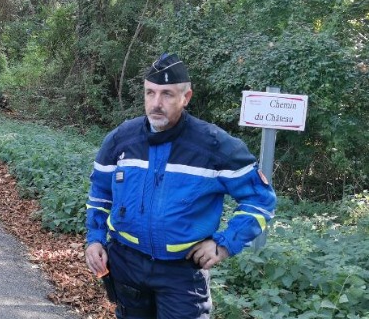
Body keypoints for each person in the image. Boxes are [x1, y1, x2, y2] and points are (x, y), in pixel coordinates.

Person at [84, 53, 277, 318]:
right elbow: (100, 193)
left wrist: (224, 244)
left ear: (186, 98)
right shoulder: (121, 140)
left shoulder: (214, 146)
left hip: (183, 273)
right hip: (126, 264)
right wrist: (95, 239)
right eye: (150, 93)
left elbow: (260, 200)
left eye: (167, 94)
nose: (156, 103)